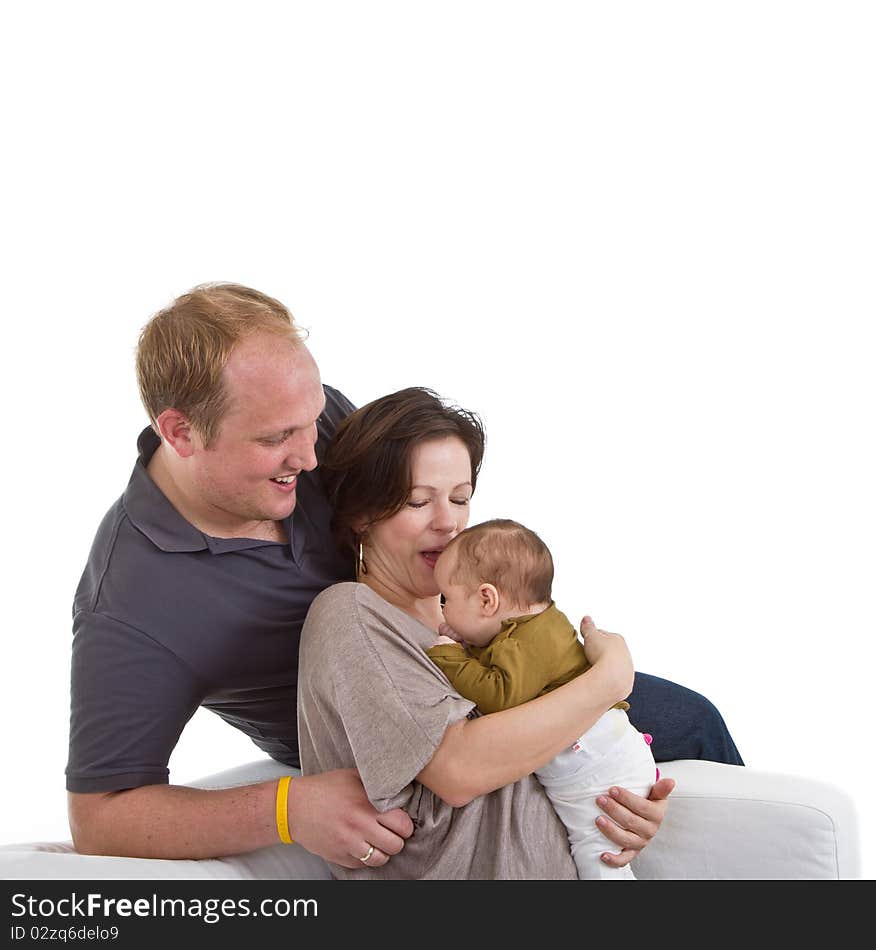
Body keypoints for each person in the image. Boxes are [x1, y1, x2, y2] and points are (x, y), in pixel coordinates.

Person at [67, 283, 682, 872]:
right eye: (277, 438)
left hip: (487, 684)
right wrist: (286, 809)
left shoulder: (314, 423)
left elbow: (432, 522)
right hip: (396, 750)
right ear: (180, 432)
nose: (312, 456)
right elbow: (99, 818)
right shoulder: (130, 602)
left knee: (683, 730)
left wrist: (608, 756)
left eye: (311, 419)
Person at [297, 387, 735, 877]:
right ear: (361, 514)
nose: (449, 523)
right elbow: (459, 771)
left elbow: (544, 751)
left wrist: (619, 800)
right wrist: (609, 681)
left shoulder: (472, 621)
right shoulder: (354, 614)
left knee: (697, 722)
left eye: (460, 498)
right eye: (418, 502)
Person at [427, 518, 657, 879]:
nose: (441, 610)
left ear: (487, 599)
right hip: (601, 755)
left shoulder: (528, 642)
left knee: (598, 860)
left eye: (447, 600)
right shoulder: (533, 627)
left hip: (596, 764)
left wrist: (451, 657)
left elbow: (499, 696)